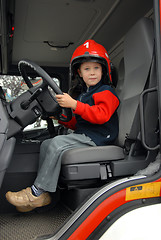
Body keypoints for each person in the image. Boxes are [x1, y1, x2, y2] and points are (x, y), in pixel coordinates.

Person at [6, 40, 120, 212]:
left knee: (57, 144)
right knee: (47, 143)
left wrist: (74, 104)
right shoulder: (83, 96)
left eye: (96, 68)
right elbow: (78, 123)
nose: (92, 73)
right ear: (79, 73)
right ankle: (45, 193)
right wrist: (59, 116)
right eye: (87, 69)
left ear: (103, 70)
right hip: (85, 135)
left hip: (99, 138)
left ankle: (36, 192)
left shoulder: (106, 92)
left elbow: (101, 116)